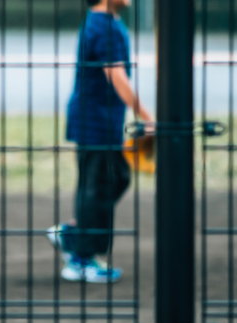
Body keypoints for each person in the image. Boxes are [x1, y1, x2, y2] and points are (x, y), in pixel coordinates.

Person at [47, 0, 154, 283]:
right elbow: (116, 75)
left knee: (115, 177)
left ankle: (73, 234)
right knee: (98, 186)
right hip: (96, 121)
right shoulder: (105, 27)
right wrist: (146, 117)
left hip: (98, 119)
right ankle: (82, 259)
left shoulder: (102, 22)